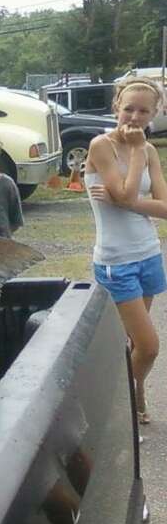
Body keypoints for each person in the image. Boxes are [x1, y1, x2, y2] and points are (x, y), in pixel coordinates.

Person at [85, 76, 166, 426]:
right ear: (116, 105)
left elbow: (162, 206)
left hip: (149, 253)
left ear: (155, 113)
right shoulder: (101, 145)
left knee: (135, 341)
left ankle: (136, 393)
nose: (134, 117)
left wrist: (129, 203)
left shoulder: (150, 150)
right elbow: (128, 193)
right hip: (117, 262)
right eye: (128, 108)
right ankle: (118, 408)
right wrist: (134, 154)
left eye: (143, 111)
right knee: (149, 346)